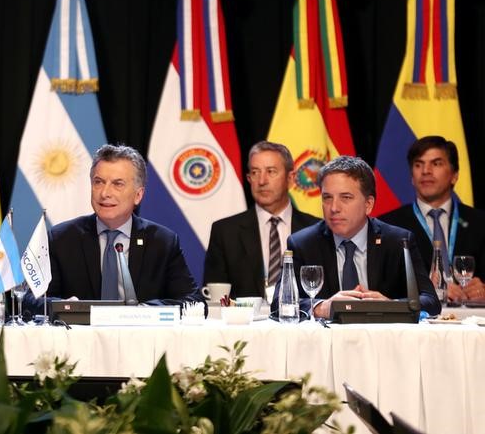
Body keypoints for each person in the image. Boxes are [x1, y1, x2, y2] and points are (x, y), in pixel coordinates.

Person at [273, 156, 440, 319]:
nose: (334, 208)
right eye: (327, 198)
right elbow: (278, 303)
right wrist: (321, 307)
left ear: (368, 204)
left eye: (346, 198)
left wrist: (391, 306)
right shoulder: (303, 243)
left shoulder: (398, 242)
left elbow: (431, 301)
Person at [45, 144, 203, 306]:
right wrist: (67, 306)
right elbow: (31, 299)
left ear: (138, 195)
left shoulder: (162, 242)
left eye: (117, 184)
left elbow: (194, 301)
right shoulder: (62, 239)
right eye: (98, 182)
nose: (105, 193)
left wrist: (144, 311)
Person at [204, 141, 319, 300]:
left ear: (290, 178)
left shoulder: (316, 229)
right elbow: (214, 297)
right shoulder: (225, 232)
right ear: (249, 178)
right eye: (255, 172)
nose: (262, 181)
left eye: (271, 171)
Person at [379, 136, 485, 302]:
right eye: (418, 164)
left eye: (436, 164)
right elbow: (381, 285)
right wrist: (424, 291)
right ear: (412, 177)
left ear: (455, 175)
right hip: (416, 322)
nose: (426, 171)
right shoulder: (388, 226)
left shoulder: (480, 223)